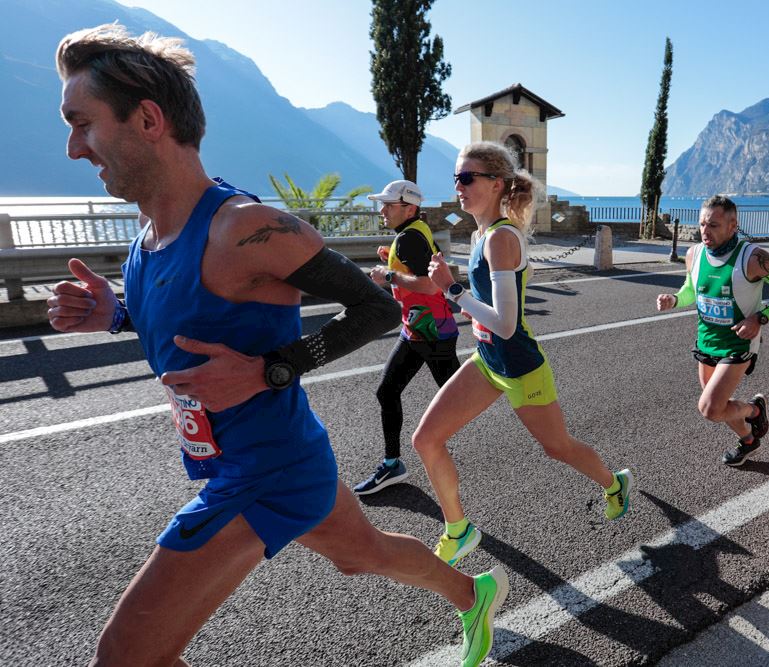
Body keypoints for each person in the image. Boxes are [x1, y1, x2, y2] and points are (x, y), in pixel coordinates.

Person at [48, 24, 505, 667]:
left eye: (82, 123)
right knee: (361, 554)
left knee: (126, 657)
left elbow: (374, 308)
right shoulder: (146, 241)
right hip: (277, 460)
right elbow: (195, 327)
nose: (73, 148)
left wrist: (274, 370)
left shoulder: (246, 227)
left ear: (148, 119)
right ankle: (473, 592)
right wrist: (117, 314)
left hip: (264, 474)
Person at [414, 141, 633, 567]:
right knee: (426, 438)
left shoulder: (500, 240)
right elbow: (484, 314)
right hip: (488, 361)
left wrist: (450, 289)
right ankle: (458, 530)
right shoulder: (480, 235)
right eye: (456, 178)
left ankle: (614, 483)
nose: (458, 186)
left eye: (466, 178)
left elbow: (506, 324)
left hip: (520, 367)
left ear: (496, 184)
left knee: (558, 447)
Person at [656, 196, 769, 466]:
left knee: (710, 409)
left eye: (713, 225)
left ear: (732, 225)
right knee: (719, 406)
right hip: (707, 341)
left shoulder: (753, 257)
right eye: (702, 223)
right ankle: (749, 440)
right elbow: (692, 289)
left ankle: (755, 410)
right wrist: (675, 299)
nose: (704, 231)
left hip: (739, 343)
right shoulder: (695, 253)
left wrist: (761, 317)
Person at [354, 180, 461, 495]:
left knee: (459, 396)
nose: (382, 210)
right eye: (382, 204)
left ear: (410, 208)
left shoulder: (409, 238)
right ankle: (392, 464)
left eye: (389, 204)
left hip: (430, 332)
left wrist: (387, 275)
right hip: (422, 328)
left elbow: (429, 285)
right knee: (389, 392)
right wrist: (392, 258)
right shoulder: (414, 234)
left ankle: (525, 409)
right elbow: (427, 266)